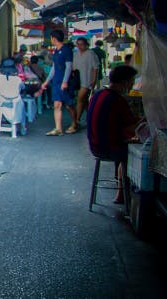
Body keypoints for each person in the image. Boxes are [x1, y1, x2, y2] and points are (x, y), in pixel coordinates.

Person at [87, 65, 142, 203]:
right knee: (135, 155)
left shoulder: (98, 94)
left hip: (95, 145)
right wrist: (145, 122)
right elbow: (131, 126)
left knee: (123, 148)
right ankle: (128, 196)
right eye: (131, 81)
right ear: (124, 82)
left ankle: (120, 194)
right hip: (107, 148)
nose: (132, 84)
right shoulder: (117, 100)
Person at [39, 30, 77, 135]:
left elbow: (69, 67)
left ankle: (75, 123)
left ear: (54, 39)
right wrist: (47, 81)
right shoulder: (55, 51)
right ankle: (58, 129)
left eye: (51, 38)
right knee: (57, 105)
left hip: (65, 82)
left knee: (69, 105)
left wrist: (65, 81)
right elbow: (54, 68)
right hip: (56, 82)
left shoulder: (66, 50)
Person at [73, 37, 100, 125]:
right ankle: (92, 117)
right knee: (84, 101)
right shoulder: (75, 54)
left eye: (81, 44)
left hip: (87, 80)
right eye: (78, 44)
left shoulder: (91, 54)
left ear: (86, 45)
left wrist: (94, 80)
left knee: (80, 99)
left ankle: (76, 120)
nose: (79, 46)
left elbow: (95, 68)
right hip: (77, 81)